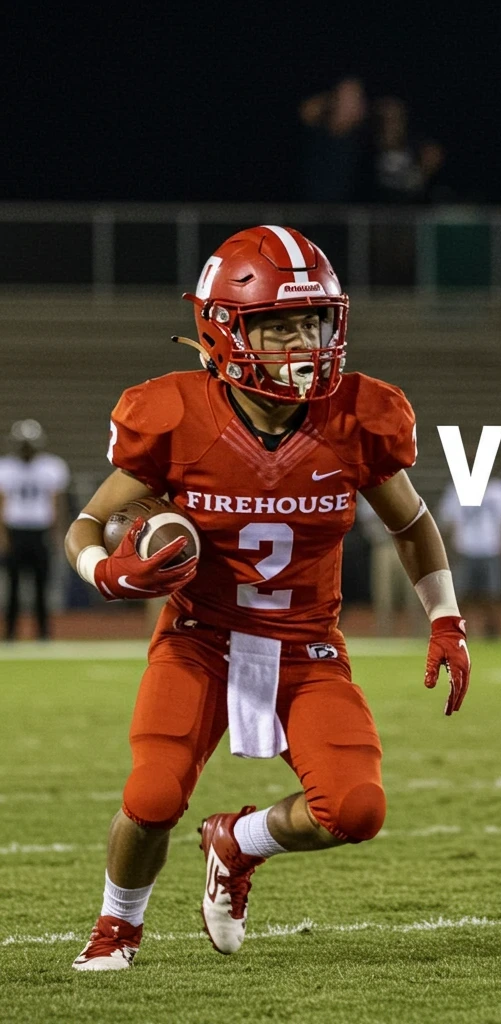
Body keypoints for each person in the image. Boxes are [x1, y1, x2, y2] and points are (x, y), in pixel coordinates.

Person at [65, 226, 471, 971]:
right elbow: (88, 524)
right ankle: (117, 927)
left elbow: (412, 524)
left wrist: (446, 620)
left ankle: (237, 841)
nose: (302, 342)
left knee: (356, 809)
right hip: (199, 639)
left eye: (312, 322)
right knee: (152, 796)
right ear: (225, 329)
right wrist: (104, 572)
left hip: (305, 648)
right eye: (278, 326)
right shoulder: (175, 414)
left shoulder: (358, 417)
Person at [0, 419, 69, 640]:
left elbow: (56, 504)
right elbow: (2, 503)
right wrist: (2, 536)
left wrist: (57, 534)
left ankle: (43, 634)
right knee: (13, 586)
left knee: (42, 586)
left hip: (40, 532)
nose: (26, 449)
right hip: (15, 531)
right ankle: (10, 634)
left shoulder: (52, 466)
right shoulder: (5, 467)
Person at [438, 477, 501, 639]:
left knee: (493, 595)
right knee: (461, 596)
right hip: (464, 549)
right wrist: (448, 551)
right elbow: (448, 523)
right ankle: (459, 634)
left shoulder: (498, 490)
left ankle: (492, 635)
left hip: (492, 549)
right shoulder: (456, 490)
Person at [357, 492, 421, 636]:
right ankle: (384, 632)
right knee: (384, 594)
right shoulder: (370, 487)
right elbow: (367, 517)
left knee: (413, 592)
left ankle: (417, 632)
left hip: (407, 542)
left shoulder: (401, 482)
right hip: (384, 544)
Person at [298, 78, 370, 202]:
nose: (351, 105)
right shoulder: (315, 137)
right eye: (346, 98)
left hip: (351, 211)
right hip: (309, 208)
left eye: (357, 99)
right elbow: (306, 111)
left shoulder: (366, 143)